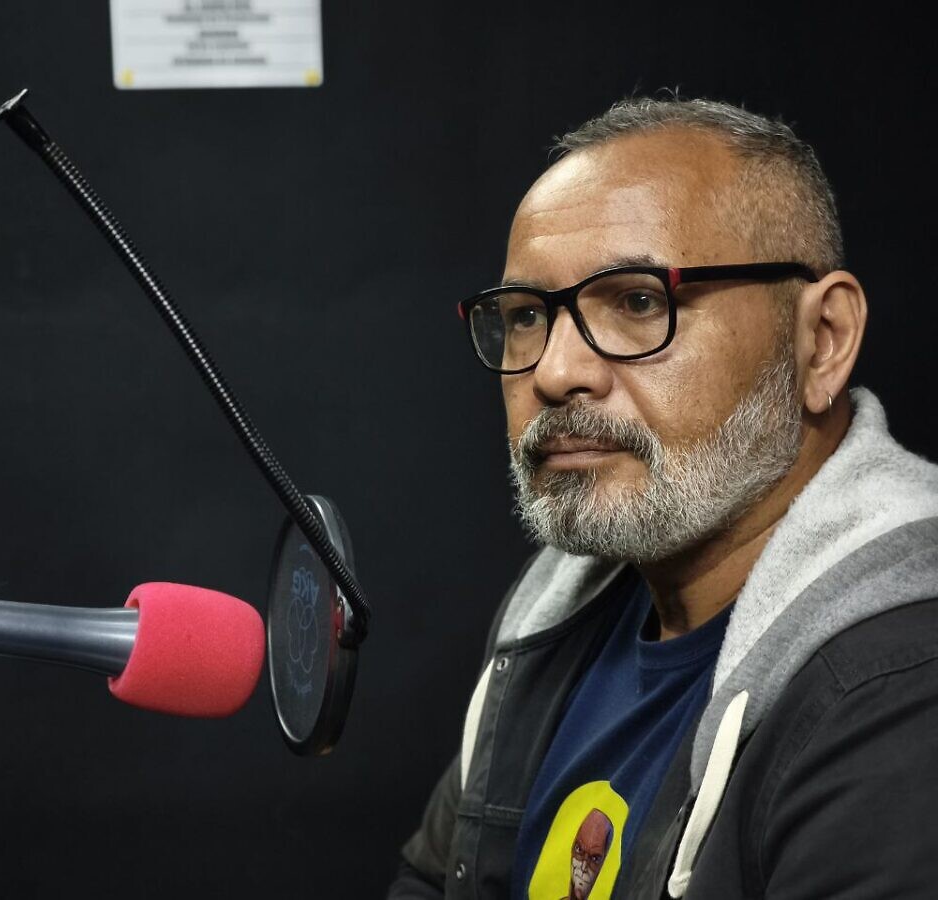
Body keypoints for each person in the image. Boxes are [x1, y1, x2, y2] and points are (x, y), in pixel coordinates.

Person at [388, 97, 938, 899]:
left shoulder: (899, 696)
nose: (555, 373)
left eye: (639, 301)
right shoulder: (553, 616)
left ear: (822, 341)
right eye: (528, 315)